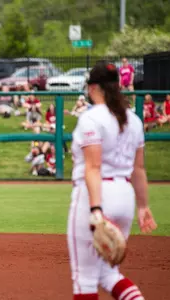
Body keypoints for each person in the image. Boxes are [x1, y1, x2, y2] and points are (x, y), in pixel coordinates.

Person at [68, 61, 157, 299]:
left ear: (92, 88)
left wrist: (96, 209)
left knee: (84, 278)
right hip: (125, 197)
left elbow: (93, 167)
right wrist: (143, 206)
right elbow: (139, 169)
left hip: (96, 196)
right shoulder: (134, 120)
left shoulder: (91, 118)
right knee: (108, 274)